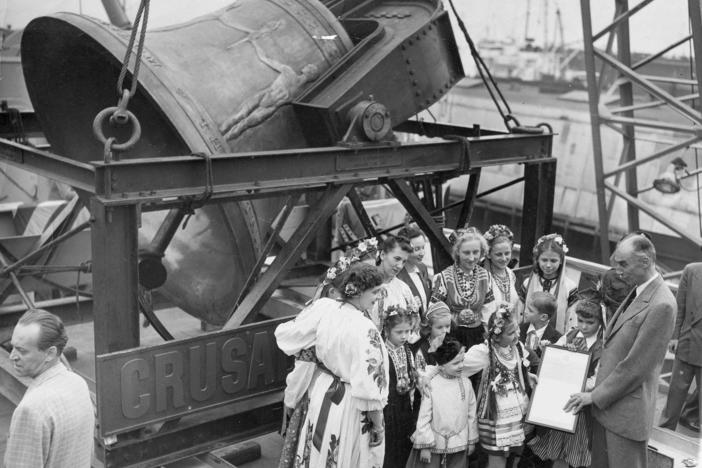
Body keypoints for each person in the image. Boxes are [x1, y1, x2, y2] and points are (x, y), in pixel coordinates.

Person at [564, 232, 676, 468]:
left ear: (645, 261)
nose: (617, 270)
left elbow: (636, 367)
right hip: (609, 410)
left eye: (623, 263)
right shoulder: (640, 291)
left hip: (625, 416)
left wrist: (593, 396)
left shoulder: (662, 304)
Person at [275, 263, 389, 467]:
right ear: (358, 292)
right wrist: (378, 425)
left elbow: (288, 335)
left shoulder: (324, 307)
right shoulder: (366, 329)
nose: (378, 297)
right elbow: (370, 389)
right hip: (348, 402)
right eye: (375, 292)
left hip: (320, 391)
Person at [278, 255, 358, 468]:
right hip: (319, 391)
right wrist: (291, 398)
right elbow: (304, 366)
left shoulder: (336, 314)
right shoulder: (323, 315)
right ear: (333, 292)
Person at [5, 309, 94, 468]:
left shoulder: (31, 410)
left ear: (50, 353)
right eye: (12, 347)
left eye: (22, 350)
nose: (12, 356)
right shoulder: (78, 383)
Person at [528, 300, 604, 468]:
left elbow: (597, 379)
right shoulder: (570, 335)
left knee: (576, 454)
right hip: (561, 403)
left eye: (590, 323)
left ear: (600, 322)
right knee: (558, 452)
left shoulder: (601, 346)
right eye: (580, 321)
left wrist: (574, 385)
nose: (583, 327)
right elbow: (553, 359)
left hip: (581, 408)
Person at [462, 305, 534, 468]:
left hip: (516, 413)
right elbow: (459, 367)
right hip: (496, 416)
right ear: (497, 335)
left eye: (516, 330)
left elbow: (519, 369)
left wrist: (528, 375)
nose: (517, 335)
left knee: (514, 455)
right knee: (497, 458)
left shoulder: (518, 348)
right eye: (510, 333)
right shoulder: (484, 352)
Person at [406, 338, 478, 468]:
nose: (461, 366)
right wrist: (425, 446)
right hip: (433, 444)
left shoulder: (466, 384)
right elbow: (424, 416)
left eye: (462, 361)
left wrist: (471, 440)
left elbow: (471, 414)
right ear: (442, 365)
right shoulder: (432, 384)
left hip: (459, 443)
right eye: (456, 363)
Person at [659, 262, 702, 433]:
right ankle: (663, 434)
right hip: (687, 343)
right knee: (674, 397)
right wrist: (674, 337)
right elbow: (680, 307)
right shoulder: (691, 271)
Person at [431, 227, 488, 351]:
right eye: (466, 253)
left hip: (477, 335)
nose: (472, 258)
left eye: (476, 252)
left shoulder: (485, 276)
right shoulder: (444, 277)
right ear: (457, 252)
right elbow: (434, 310)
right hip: (451, 335)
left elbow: (489, 308)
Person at [516, 233, 578, 334]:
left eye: (553, 261)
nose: (548, 265)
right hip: (526, 335)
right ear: (538, 260)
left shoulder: (570, 287)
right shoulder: (528, 283)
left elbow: (571, 319)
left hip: (556, 339)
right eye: (544, 260)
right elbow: (519, 313)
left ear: (561, 261)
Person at [382, 305, 419, 468]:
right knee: (389, 452)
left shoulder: (408, 350)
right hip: (388, 410)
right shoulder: (381, 352)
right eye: (399, 332)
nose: (404, 336)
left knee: (405, 451)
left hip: (405, 409)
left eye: (408, 331)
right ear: (387, 330)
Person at [371, 235, 418, 332]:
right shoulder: (364, 283)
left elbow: (413, 326)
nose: (400, 266)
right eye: (397, 259)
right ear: (383, 254)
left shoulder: (404, 289)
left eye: (404, 261)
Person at [481, 224, 519, 327]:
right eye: (498, 254)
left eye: (507, 253)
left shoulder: (511, 274)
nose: (504, 258)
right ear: (488, 254)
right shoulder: (483, 277)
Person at [519, 291, 562, 374]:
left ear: (543, 317)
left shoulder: (557, 339)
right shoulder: (519, 329)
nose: (525, 312)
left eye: (530, 311)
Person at [397, 225, 431, 316]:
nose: (422, 253)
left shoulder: (422, 267)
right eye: (417, 249)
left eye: (423, 247)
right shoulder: (397, 276)